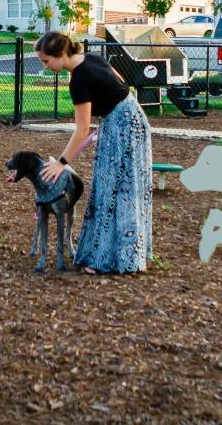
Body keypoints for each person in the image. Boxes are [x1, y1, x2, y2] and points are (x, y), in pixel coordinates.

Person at [35, 31, 153, 274]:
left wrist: (61, 162)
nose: (45, 66)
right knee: (121, 189)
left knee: (114, 191)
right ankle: (128, 255)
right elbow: (120, 84)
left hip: (122, 128)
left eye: (46, 61)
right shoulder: (91, 59)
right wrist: (110, 115)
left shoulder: (79, 79)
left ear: (60, 55)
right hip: (131, 118)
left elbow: (81, 129)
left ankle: (108, 260)